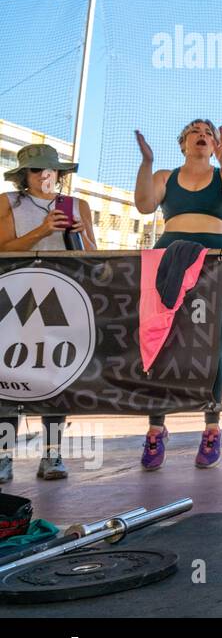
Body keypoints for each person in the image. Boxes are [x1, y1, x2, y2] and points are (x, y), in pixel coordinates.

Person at [134, 120, 222, 469]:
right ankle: (156, 428)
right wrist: (147, 163)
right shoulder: (166, 176)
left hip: (216, 259)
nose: (202, 135)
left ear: (215, 144)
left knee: (212, 340)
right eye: (195, 131)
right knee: (161, 340)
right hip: (169, 256)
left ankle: (212, 427)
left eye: (209, 133)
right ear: (182, 142)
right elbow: (143, 206)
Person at [0, 144, 97, 483]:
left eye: (51, 170)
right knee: (9, 377)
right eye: (37, 170)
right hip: (15, 298)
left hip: (62, 296)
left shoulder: (77, 205)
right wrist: (41, 231)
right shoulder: (7, 203)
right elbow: (2, 248)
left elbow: (93, 257)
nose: (45, 175)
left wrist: (78, 235)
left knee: (56, 377)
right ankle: (3, 455)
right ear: (23, 176)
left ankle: (52, 454)